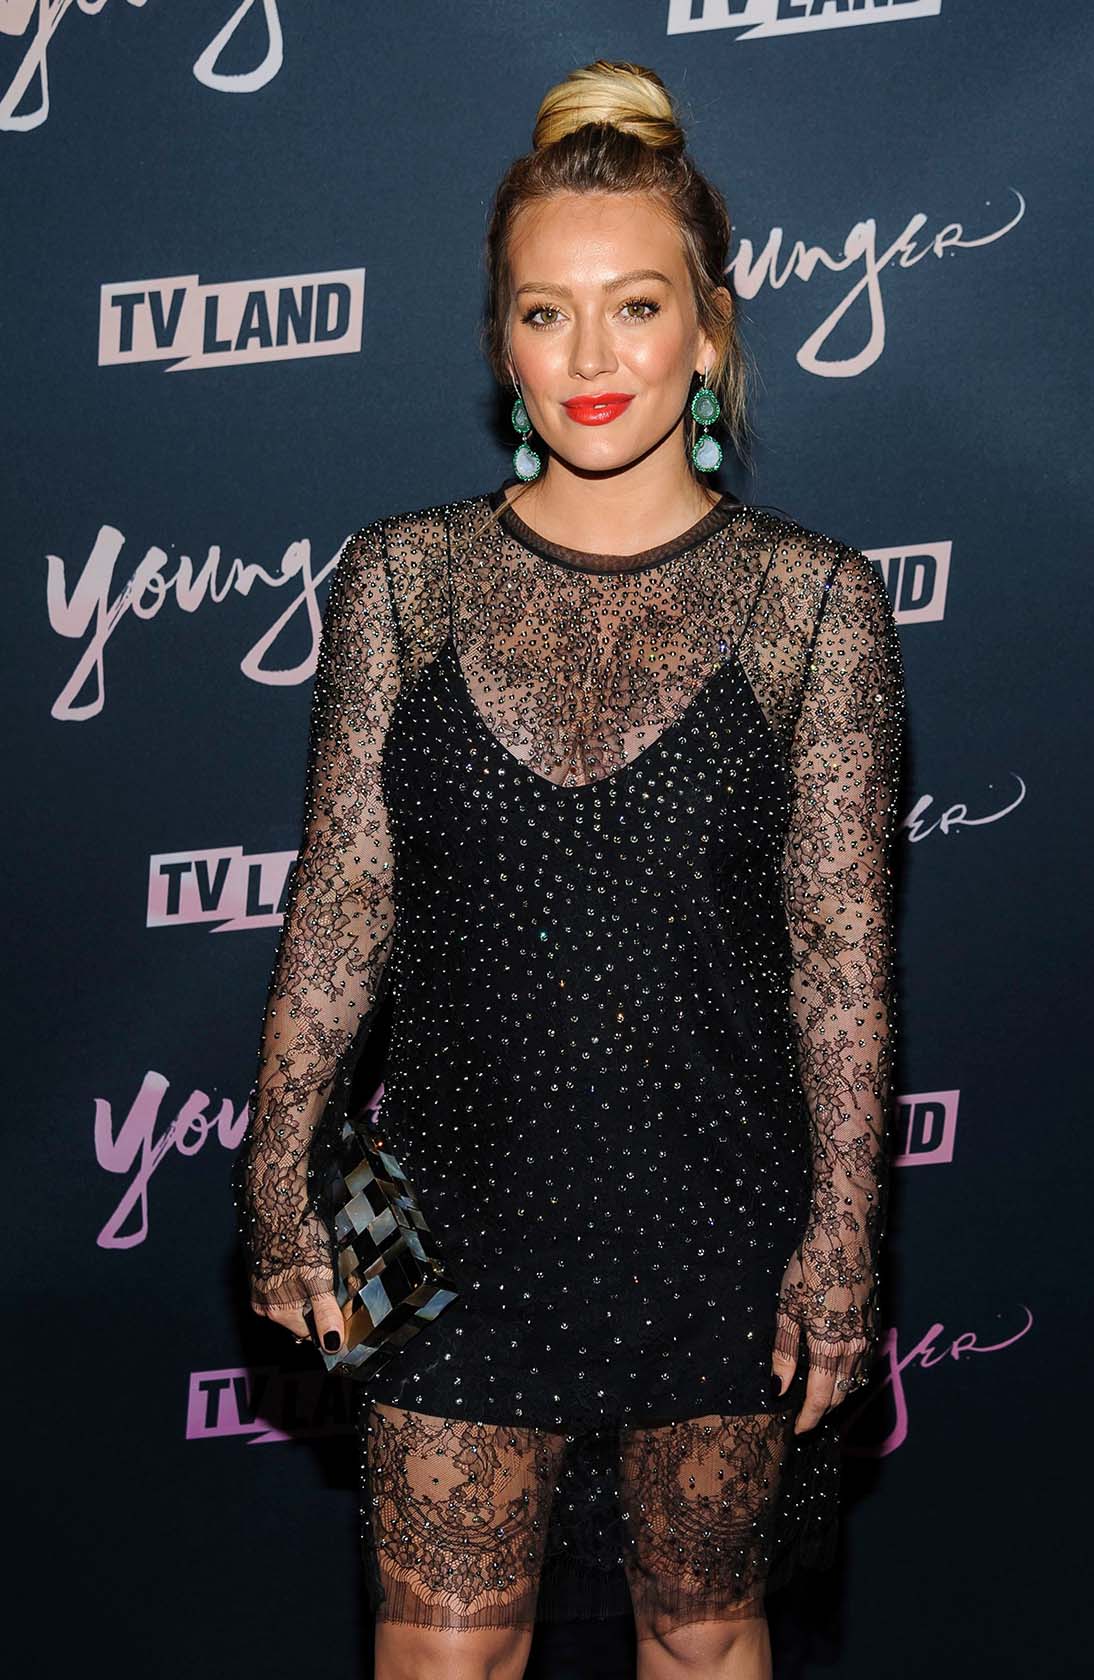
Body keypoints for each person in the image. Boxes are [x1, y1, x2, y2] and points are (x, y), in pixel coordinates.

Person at [233, 58, 905, 1680]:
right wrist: (276, 1178)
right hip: (423, 1212)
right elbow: (340, 913)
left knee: (701, 1635)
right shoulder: (400, 581)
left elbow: (840, 962)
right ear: (501, 341)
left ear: (710, 327)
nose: (591, 359)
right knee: (436, 1648)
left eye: (636, 307)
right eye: (546, 313)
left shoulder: (816, 607)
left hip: (719, 1208)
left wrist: (840, 1239)